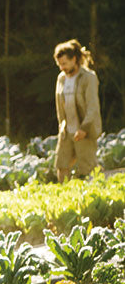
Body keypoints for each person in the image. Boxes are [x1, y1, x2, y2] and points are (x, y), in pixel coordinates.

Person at [53, 39, 101, 182]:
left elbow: (93, 107)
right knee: (61, 165)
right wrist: (62, 125)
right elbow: (59, 105)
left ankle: (92, 197)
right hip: (67, 130)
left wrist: (84, 128)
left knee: (87, 169)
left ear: (74, 59)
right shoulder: (61, 78)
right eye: (59, 64)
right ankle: (66, 195)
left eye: (64, 64)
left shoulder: (88, 77)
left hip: (84, 130)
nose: (62, 67)